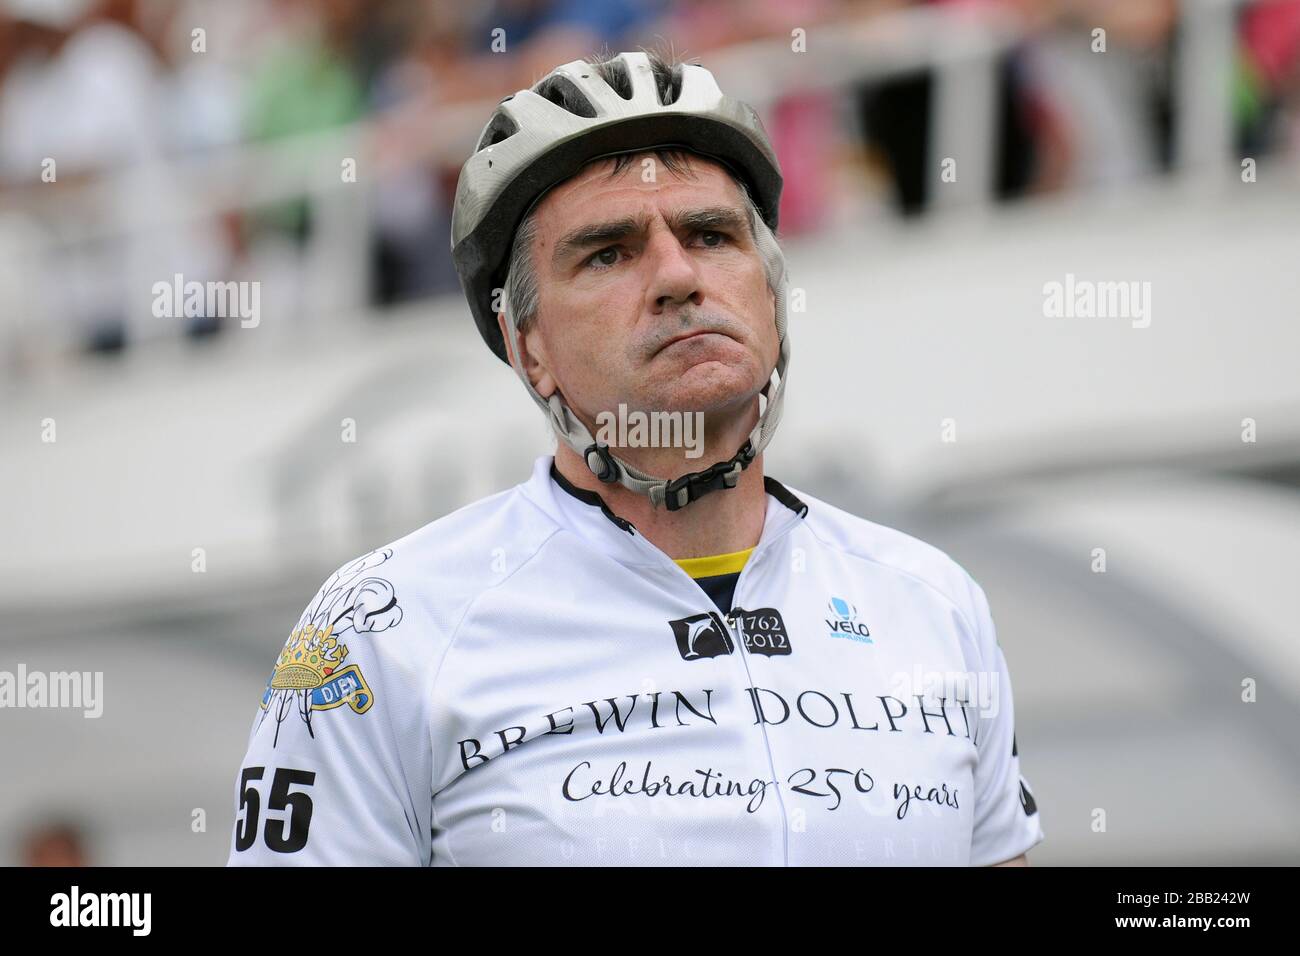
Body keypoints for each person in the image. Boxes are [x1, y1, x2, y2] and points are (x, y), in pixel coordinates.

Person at [227, 48, 1044, 866]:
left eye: (711, 233)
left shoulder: (934, 605)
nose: (678, 275)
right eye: (609, 252)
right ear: (528, 345)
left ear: (770, 289)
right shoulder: (386, 627)